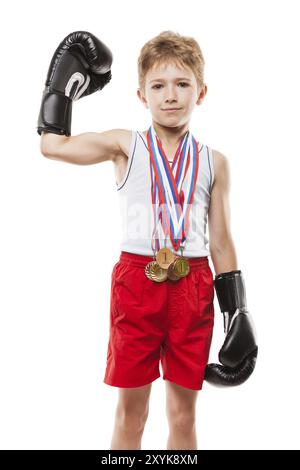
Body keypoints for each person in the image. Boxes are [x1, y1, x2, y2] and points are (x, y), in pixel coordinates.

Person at [38, 30, 257, 450]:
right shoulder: (126, 146)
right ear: (141, 95)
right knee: (131, 413)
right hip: (138, 283)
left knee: (183, 416)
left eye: (182, 84)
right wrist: (59, 92)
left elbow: (222, 243)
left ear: (202, 91)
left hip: (193, 286)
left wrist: (238, 312)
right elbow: (52, 147)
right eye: (157, 86)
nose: (170, 96)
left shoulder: (215, 162)